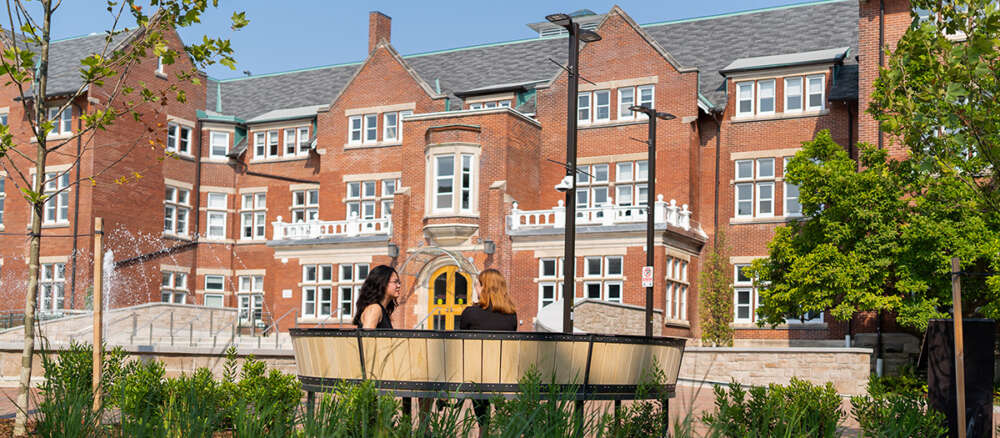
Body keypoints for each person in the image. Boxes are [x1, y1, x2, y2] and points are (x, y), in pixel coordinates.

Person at [458, 268, 517, 435]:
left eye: (477, 285)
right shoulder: (511, 315)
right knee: (492, 373)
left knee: (478, 372)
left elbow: (462, 344)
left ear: (485, 288)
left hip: (476, 375)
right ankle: (504, 427)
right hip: (503, 375)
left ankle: (483, 431)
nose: (475, 288)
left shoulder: (470, 313)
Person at [353, 265, 401, 329]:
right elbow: (367, 335)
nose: (398, 286)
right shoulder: (374, 309)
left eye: (399, 282)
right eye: (395, 282)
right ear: (382, 282)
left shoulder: (382, 311)